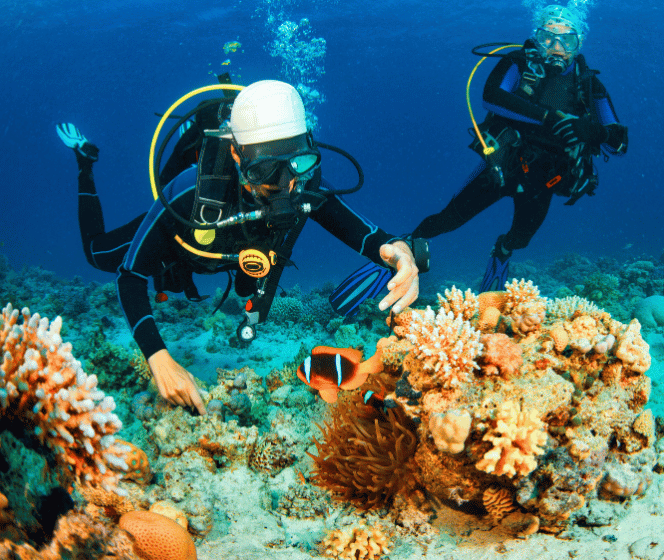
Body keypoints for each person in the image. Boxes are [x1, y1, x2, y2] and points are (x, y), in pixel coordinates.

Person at [57, 80, 427, 414]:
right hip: (181, 247)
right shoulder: (188, 193)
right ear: (237, 156)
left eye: (297, 163)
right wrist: (158, 357)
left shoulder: (306, 185)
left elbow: (367, 236)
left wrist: (400, 253)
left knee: (256, 278)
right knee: (98, 255)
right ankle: (84, 164)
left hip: (242, 258)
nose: (286, 185)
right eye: (266, 170)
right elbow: (130, 276)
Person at [411, 4, 628, 292]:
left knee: (521, 239)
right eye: (548, 38)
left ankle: (501, 252)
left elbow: (620, 144)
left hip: (546, 179)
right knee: (448, 219)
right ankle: (401, 248)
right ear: (537, 39)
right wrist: (548, 117)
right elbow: (491, 97)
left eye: (567, 40)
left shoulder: (589, 86)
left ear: (579, 43)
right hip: (503, 165)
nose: (556, 47)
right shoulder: (519, 63)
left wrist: (593, 131)